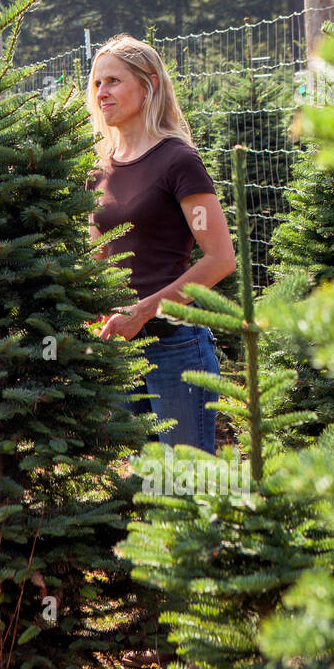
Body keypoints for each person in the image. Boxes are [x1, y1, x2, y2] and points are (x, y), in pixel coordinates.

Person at [86, 35, 236, 454]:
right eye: (97, 83)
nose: (102, 93)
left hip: (176, 346)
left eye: (113, 81)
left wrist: (144, 310)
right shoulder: (99, 169)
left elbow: (220, 258)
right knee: (127, 493)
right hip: (117, 347)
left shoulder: (178, 160)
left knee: (186, 488)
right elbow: (98, 257)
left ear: (148, 85)